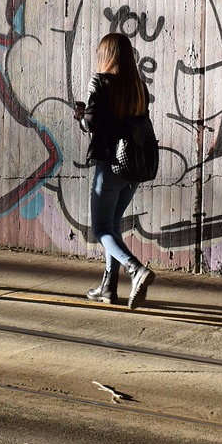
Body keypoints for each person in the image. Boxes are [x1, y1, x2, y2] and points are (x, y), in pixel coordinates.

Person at [74, 32, 156, 309]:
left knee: (100, 228)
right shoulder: (138, 86)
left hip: (109, 163)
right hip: (133, 167)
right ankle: (108, 288)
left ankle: (136, 270)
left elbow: (93, 123)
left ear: (106, 55)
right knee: (113, 225)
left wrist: (81, 118)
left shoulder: (100, 81)